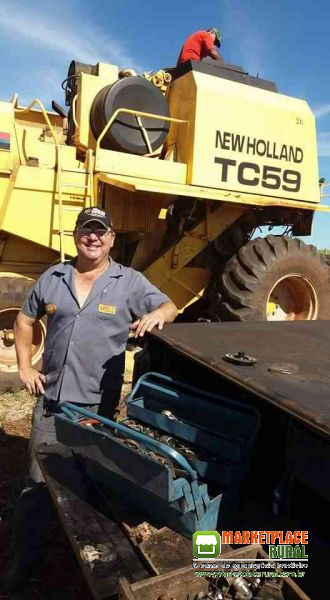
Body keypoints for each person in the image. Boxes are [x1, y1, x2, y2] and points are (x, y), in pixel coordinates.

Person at [5, 206, 178, 591]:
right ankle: (24, 563)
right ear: (76, 235)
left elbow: (170, 306)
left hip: (98, 412)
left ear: (112, 238)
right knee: (36, 489)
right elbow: (24, 320)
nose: (93, 237)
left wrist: (157, 316)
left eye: (100, 231)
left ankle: (89, 567)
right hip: (51, 404)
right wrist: (24, 367)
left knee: (93, 491)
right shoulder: (53, 277)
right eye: (86, 230)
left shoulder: (129, 282)